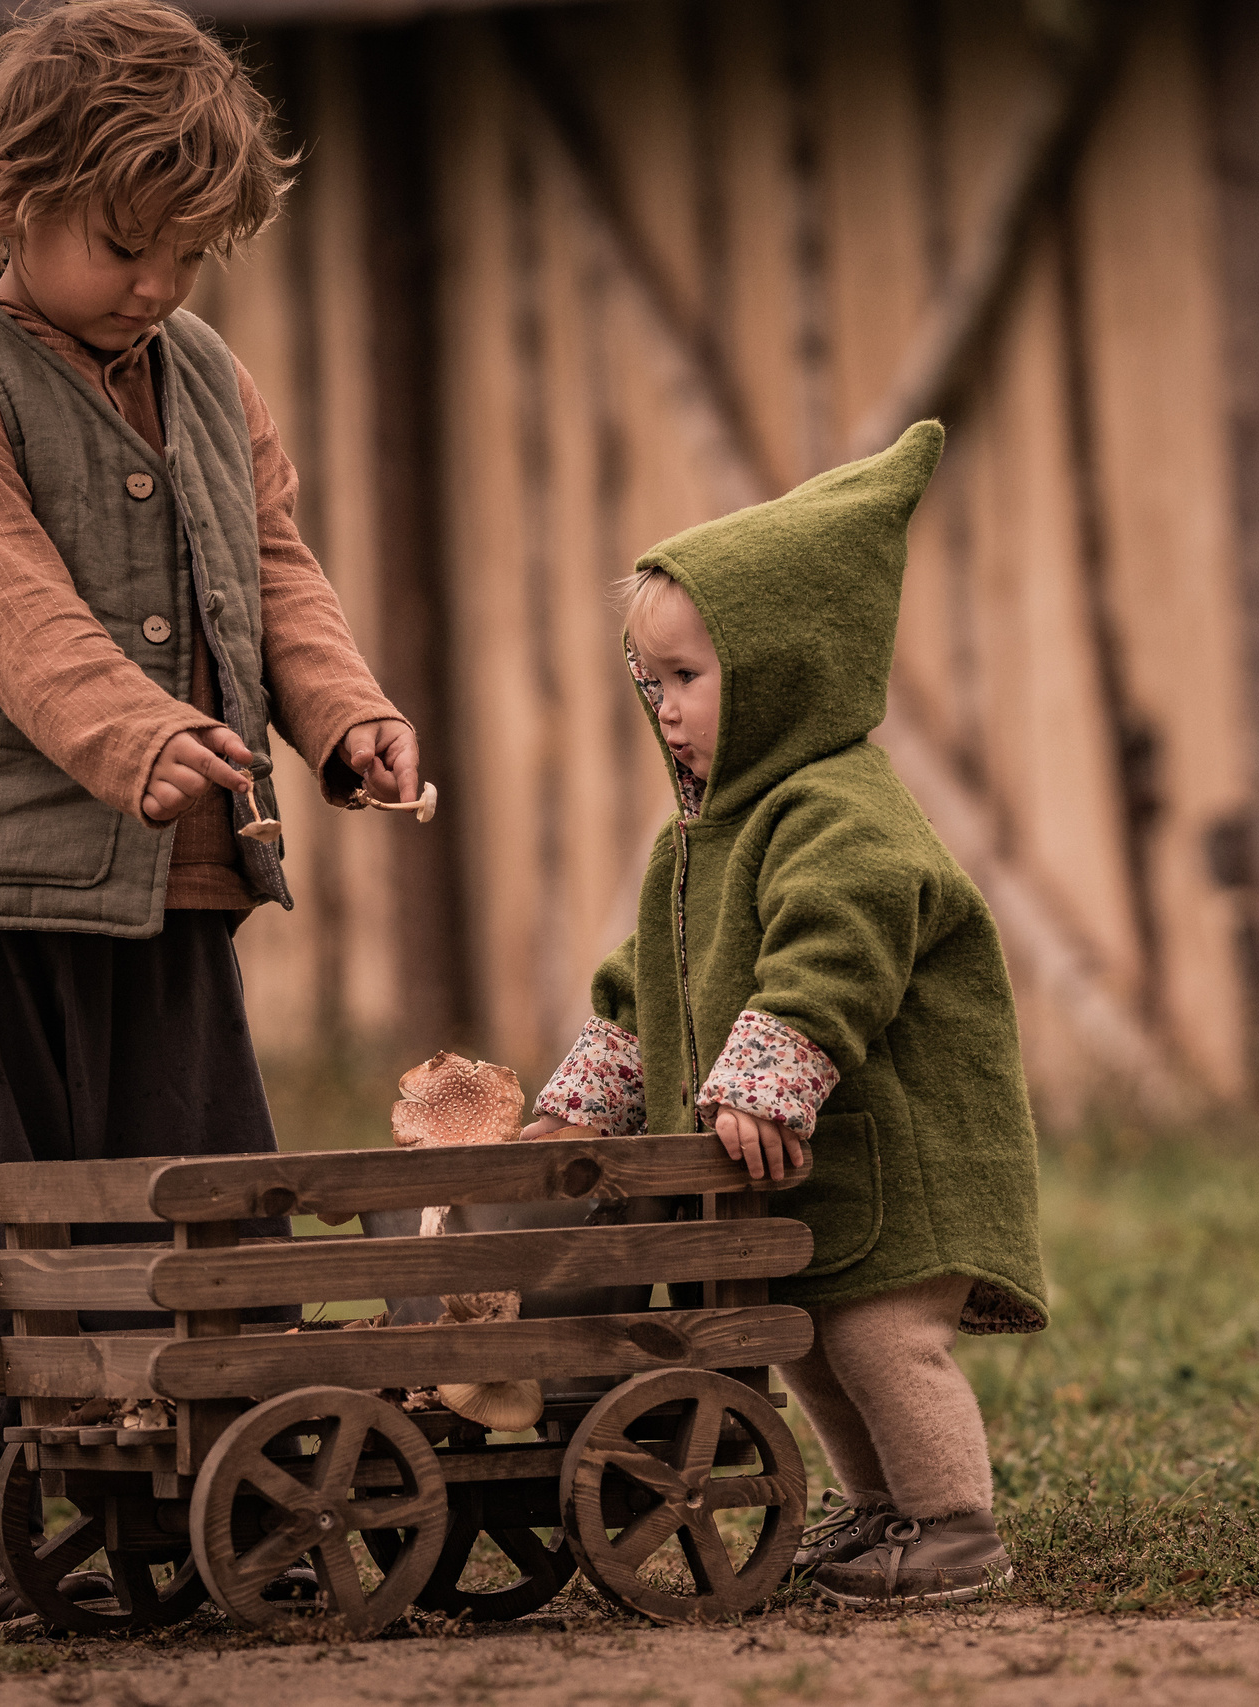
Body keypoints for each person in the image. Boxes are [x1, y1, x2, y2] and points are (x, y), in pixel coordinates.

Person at [0, 0, 417, 1630]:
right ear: (15, 197)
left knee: (197, 1190)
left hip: (173, 873)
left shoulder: (211, 378)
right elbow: (3, 595)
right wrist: (130, 730)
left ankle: (236, 1480)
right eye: (122, 243)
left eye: (189, 250)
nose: (157, 283)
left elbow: (274, 575)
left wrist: (346, 717)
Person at [524, 421, 1048, 1605]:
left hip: (896, 1154)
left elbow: (838, 946)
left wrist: (771, 1067)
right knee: (808, 1339)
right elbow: (645, 978)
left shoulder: (839, 812)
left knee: (879, 1339)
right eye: (649, 682)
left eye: (690, 680)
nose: (663, 709)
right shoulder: (696, 841)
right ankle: (880, 1515)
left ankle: (954, 1525)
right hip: (805, 1173)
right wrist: (591, 1096)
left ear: (789, 667)